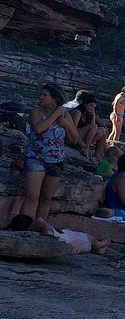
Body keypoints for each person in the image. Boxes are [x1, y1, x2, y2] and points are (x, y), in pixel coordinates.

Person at [22, 84, 76, 222]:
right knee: (32, 196)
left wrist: (66, 123)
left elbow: (74, 139)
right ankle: (22, 226)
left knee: (46, 198)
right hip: (36, 158)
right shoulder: (35, 112)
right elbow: (39, 128)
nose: (41, 97)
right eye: (41, 95)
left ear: (54, 99)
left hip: (56, 161)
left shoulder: (66, 116)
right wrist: (56, 114)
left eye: (45, 95)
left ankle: (40, 227)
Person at [8, 212, 111, 255]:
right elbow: (39, 220)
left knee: (95, 245)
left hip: (77, 241)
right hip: (77, 240)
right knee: (94, 245)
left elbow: (40, 221)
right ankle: (104, 243)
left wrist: (29, 231)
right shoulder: (44, 232)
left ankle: (103, 243)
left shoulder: (43, 232)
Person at [65, 90, 105, 160]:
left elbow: (94, 126)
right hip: (72, 137)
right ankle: (85, 148)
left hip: (81, 135)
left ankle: (88, 149)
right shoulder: (77, 112)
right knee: (94, 127)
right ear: (85, 104)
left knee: (102, 130)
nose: (92, 108)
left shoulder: (87, 113)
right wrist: (81, 143)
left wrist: (93, 115)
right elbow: (73, 129)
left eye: (94, 107)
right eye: (90, 106)